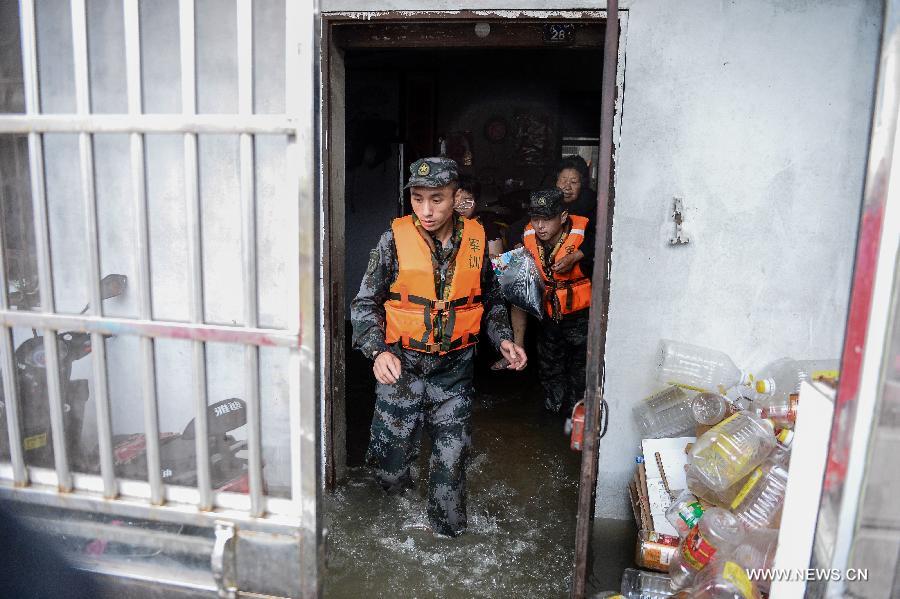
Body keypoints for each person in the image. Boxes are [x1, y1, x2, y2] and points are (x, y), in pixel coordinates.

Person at [351, 156, 528, 537]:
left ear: (456, 196)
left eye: (437, 199)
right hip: (401, 368)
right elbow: (364, 304)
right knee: (390, 468)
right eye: (417, 199)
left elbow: (493, 300)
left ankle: (447, 539)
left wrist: (504, 340)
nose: (426, 211)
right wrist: (377, 350)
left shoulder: (479, 240)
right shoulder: (392, 242)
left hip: (454, 372)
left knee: (450, 464)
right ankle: (390, 543)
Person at [492, 156, 597, 370]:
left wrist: (576, 255)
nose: (567, 187)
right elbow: (515, 231)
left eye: (574, 182)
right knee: (549, 365)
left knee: (578, 367)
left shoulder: (590, 209)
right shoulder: (537, 215)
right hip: (546, 306)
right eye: (563, 181)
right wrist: (521, 259)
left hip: (578, 308)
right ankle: (516, 349)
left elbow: (603, 238)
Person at [522, 188, 593, 432]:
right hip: (548, 317)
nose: (540, 226)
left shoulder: (584, 236)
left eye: (547, 219)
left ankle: (575, 420)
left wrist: (577, 257)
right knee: (549, 368)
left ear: (562, 217)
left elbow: (607, 243)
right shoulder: (527, 236)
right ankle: (552, 420)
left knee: (580, 371)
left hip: (580, 318)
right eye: (535, 219)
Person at [454, 175, 504, 258]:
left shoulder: (488, 228)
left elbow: (499, 265)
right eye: (456, 201)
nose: (461, 206)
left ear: (476, 202)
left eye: (467, 201)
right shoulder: (440, 225)